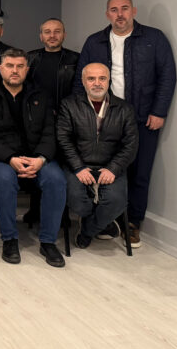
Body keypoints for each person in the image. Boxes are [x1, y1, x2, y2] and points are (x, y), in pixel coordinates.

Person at [74, 0, 176, 247]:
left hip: (143, 117)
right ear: (107, 14)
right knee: (106, 169)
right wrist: (82, 115)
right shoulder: (95, 41)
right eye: (114, 10)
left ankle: (133, 223)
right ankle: (106, 218)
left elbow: (167, 76)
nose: (120, 14)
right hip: (103, 118)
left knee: (140, 172)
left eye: (124, 8)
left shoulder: (154, 38)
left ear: (134, 11)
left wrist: (159, 111)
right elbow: (80, 79)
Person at [0, 48, 68, 267]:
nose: (15, 71)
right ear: (1, 68)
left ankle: (48, 242)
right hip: (1, 158)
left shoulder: (41, 95)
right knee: (4, 180)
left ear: (27, 69)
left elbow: (50, 132)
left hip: (37, 157)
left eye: (20, 66)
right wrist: (10, 158)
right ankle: (10, 239)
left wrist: (41, 159)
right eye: (10, 66)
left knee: (56, 180)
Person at [57, 63, 138, 249]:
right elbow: (63, 139)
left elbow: (130, 144)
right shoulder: (69, 105)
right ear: (83, 81)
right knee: (77, 201)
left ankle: (87, 230)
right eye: (91, 79)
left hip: (110, 166)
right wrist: (78, 167)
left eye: (102, 78)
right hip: (77, 165)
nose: (97, 83)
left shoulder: (124, 108)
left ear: (109, 81)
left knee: (116, 201)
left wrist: (113, 169)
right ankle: (103, 223)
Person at [23, 18, 80, 224]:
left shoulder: (75, 59)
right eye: (47, 32)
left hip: (67, 120)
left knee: (62, 166)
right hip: (37, 121)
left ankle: (61, 215)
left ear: (64, 35)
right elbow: (25, 90)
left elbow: (78, 91)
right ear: (41, 36)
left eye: (57, 31)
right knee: (38, 162)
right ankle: (35, 210)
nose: (52, 35)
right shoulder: (30, 58)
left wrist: (65, 112)